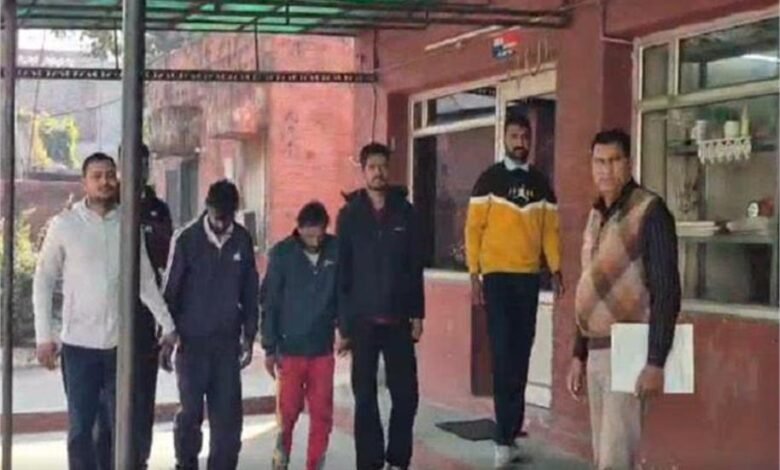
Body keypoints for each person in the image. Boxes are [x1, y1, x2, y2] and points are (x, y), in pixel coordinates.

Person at [33, 152, 177, 470]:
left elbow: (144, 281)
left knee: (121, 427)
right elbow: (43, 280)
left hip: (118, 347)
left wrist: (168, 325)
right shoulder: (65, 225)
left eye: (110, 175)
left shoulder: (128, 224)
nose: (105, 182)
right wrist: (44, 336)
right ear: (84, 182)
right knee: (81, 429)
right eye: (97, 176)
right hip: (78, 347)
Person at [567, 129, 681, 470]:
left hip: (630, 349)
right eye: (599, 162)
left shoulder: (649, 211)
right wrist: (578, 353)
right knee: (603, 457)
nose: (606, 170)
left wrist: (656, 361)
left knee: (615, 459)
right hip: (597, 349)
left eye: (614, 161)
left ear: (629, 163)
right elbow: (589, 287)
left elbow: (666, 290)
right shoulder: (596, 215)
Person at [464, 114, 563, 468]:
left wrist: (556, 268)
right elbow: (473, 229)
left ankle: (510, 433)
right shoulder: (488, 180)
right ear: (504, 139)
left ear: (530, 140)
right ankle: (502, 439)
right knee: (503, 355)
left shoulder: (541, 184)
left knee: (521, 355)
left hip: (528, 280)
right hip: (496, 279)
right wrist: (474, 275)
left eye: (524, 136)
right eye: (514, 136)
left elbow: (550, 231)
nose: (520, 142)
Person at [336, 142, 424, 470]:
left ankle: (398, 459)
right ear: (363, 172)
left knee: (407, 395)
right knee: (365, 397)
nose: (379, 172)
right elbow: (342, 272)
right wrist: (343, 324)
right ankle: (370, 462)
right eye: (372, 167)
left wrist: (418, 314)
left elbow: (414, 266)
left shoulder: (406, 212)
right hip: (362, 321)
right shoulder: (349, 216)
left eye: (383, 166)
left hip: (398, 319)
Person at [162, 179, 259, 470]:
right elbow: (171, 291)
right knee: (190, 415)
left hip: (226, 345)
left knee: (228, 419)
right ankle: (186, 464)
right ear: (207, 207)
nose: (221, 224)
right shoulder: (186, 239)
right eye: (217, 217)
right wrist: (167, 339)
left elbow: (250, 291)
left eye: (227, 218)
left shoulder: (242, 239)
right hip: (191, 345)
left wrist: (249, 335)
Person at [94, 144, 174, 470]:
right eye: (131, 163)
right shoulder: (107, 206)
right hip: (109, 320)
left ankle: (138, 461)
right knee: (105, 403)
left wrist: (166, 323)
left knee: (142, 400)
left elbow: (166, 266)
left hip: (145, 321)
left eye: (143, 164)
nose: (137, 170)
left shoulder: (158, 210)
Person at [261, 201, 341, 470]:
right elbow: (270, 302)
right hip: (290, 350)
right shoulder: (282, 254)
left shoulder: (336, 250)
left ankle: (315, 464)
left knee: (322, 414)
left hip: (322, 349)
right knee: (288, 412)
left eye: (319, 235)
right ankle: (280, 458)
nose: (314, 241)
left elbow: (345, 292)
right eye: (309, 236)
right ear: (299, 230)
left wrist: (346, 328)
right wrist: (269, 347)